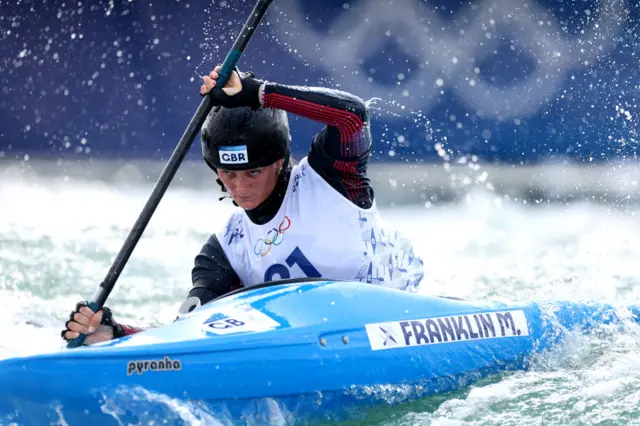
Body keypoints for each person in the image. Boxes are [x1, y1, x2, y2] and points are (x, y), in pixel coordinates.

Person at [61, 65, 425, 345]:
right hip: (307, 344)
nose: (240, 187)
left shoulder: (332, 180)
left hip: (398, 323)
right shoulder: (225, 248)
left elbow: (352, 116)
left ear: (280, 161)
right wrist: (117, 333)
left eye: (252, 173)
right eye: (228, 175)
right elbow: (188, 335)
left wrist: (262, 94)